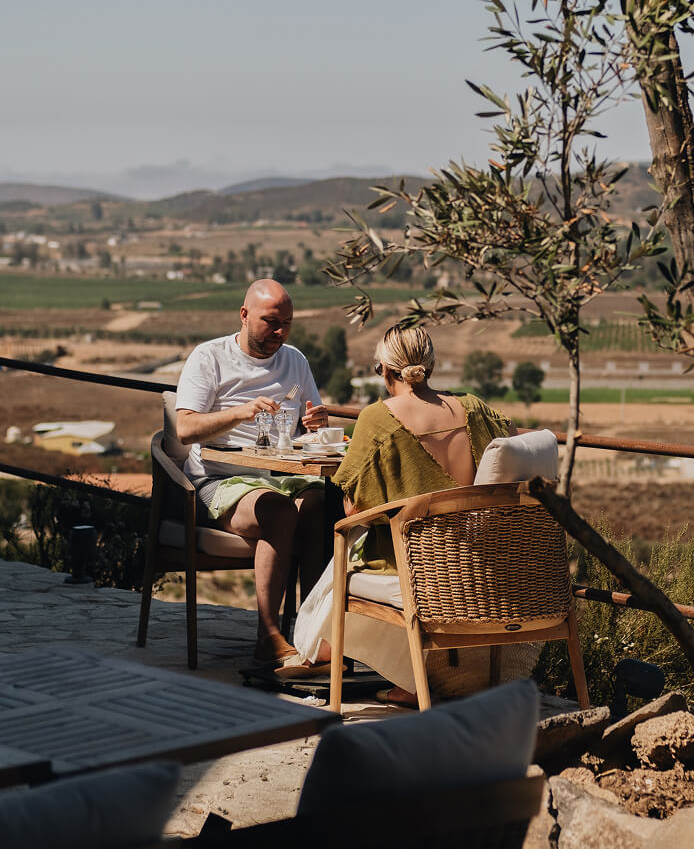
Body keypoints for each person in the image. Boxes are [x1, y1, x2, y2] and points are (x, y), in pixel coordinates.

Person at [288, 324, 515, 705]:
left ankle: (334, 655)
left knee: (351, 546)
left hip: (416, 567)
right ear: (431, 365)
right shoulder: (474, 409)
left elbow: (355, 509)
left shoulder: (379, 419)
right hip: (473, 561)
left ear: (387, 371)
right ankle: (404, 675)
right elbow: (509, 451)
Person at [175, 279, 329, 668]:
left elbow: (302, 428)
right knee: (276, 510)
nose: (280, 332)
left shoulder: (295, 360)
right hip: (219, 479)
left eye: (287, 324)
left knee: (324, 505)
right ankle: (269, 635)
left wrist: (313, 424)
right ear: (244, 315)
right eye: (271, 322)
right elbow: (185, 429)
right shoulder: (209, 357)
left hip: (281, 473)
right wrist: (241, 413)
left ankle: (315, 633)